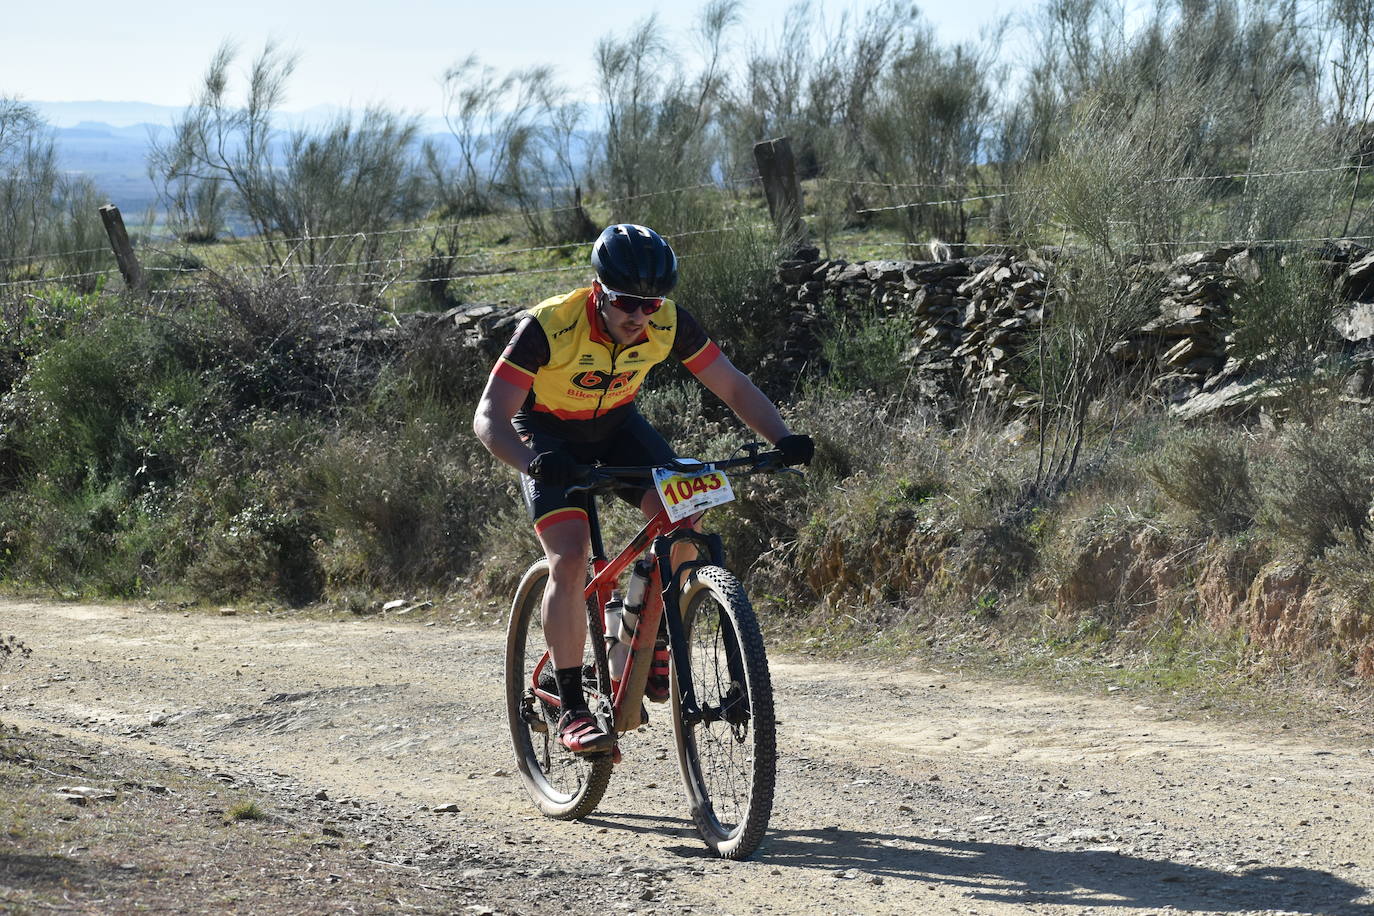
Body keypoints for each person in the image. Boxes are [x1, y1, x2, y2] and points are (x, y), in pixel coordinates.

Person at [473, 224, 813, 754]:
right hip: (547, 437)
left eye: (650, 304)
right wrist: (535, 463)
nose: (640, 316)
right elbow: (490, 416)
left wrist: (783, 437)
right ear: (599, 290)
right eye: (627, 303)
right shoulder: (549, 326)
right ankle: (573, 707)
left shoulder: (669, 324)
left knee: (686, 517)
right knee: (569, 556)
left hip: (617, 427)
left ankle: (650, 636)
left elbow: (732, 384)